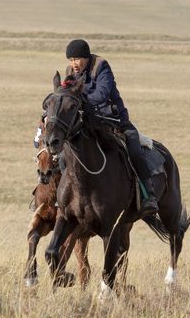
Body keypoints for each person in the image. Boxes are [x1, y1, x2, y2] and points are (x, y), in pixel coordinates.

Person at [62, 39, 159, 216]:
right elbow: (66, 95)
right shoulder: (70, 72)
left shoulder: (101, 66)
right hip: (89, 122)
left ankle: (149, 195)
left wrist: (77, 100)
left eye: (77, 59)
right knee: (64, 151)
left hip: (113, 119)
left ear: (86, 57)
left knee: (133, 148)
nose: (74, 64)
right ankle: (64, 197)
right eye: (71, 60)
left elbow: (102, 94)